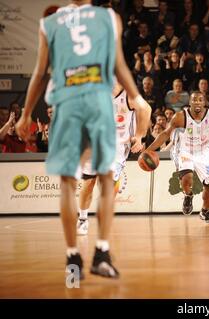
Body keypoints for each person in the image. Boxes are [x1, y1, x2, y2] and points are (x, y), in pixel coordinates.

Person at [15, 0, 149, 279]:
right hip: (97, 103)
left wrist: (26, 114)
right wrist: (135, 95)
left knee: (68, 183)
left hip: (67, 104)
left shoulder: (48, 22)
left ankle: (73, 259)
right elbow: (118, 64)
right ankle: (101, 253)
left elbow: (40, 72)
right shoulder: (108, 17)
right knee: (107, 178)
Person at [77, 83, 151, 235]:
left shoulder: (128, 95)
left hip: (117, 147)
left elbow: (146, 109)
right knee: (88, 183)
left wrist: (139, 136)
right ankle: (83, 219)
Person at [145, 92, 209, 224]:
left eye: (200, 100)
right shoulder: (180, 116)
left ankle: (205, 212)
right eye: (194, 99)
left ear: (204, 103)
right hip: (185, 150)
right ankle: (188, 195)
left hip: (203, 152)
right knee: (187, 177)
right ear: (190, 102)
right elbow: (166, 134)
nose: (197, 102)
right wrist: (148, 150)